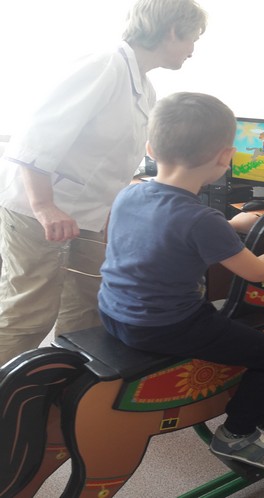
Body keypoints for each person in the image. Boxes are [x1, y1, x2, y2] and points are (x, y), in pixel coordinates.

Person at [98, 92, 264, 470]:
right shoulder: (201, 220)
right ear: (226, 157)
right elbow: (259, 271)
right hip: (165, 326)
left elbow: (163, 235)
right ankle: (237, 434)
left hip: (112, 312)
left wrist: (229, 226)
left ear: (151, 148)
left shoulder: (130, 193)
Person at [0, 0, 207, 366]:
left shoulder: (144, 86)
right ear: (173, 31)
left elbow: (112, 160)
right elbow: (34, 137)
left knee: (90, 301)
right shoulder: (103, 64)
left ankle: (69, 384)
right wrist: (44, 206)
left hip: (87, 214)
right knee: (30, 312)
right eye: (193, 38)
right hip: (37, 208)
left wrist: (113, 211)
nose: (193, 49)